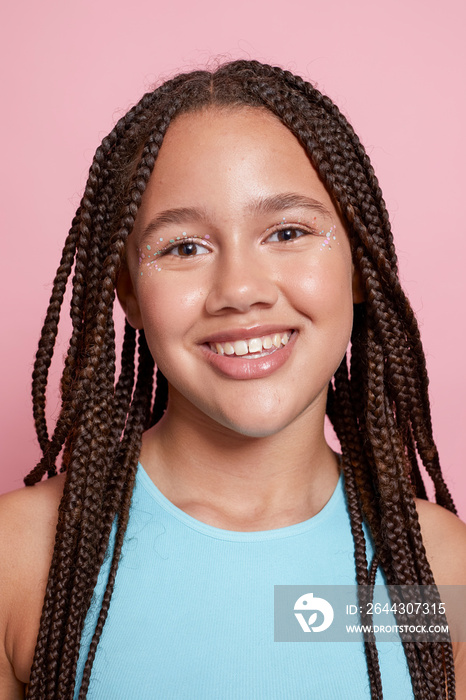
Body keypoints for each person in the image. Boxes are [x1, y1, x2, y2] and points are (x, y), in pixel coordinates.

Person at [0, 59, 464, 700]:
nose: (240, 291)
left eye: (288, 232)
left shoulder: (438, 569)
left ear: (360, 266)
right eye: (184, 247)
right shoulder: (21, 556)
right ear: (129, 294)